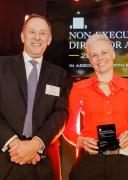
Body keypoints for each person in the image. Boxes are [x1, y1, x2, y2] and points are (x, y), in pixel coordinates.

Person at [63, 34, 128, 180]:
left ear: (112, 54)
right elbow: (68, 129)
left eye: (104, 52)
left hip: (123, 160)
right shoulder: (78, 89)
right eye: (94, 55)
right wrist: (79, 141)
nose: (100, 58)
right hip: (90, 160)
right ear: (90, 59)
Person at [0, 14, 69, 180]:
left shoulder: (59, 75)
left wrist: (35, 144)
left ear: (50, 39)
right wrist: (14, 143)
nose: (37, 37)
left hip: (41, 164)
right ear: (23, 36)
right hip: (4, 161)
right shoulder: (1, 66)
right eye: (32, 32)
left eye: (43, 33)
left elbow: (61, 114)